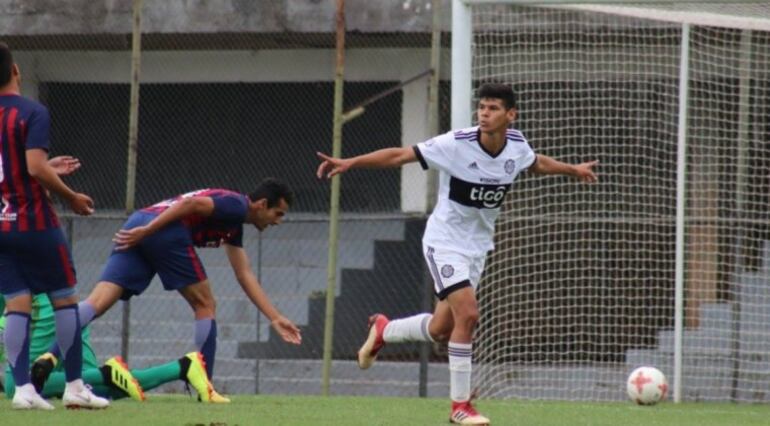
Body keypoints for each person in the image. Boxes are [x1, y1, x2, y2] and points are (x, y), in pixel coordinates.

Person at [316, 83, 598, 425]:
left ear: (511, 115)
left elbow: (535, 163)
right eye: (481, 107)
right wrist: (352, 162)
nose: (484, 113)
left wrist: (573, 170)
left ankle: (384, 329)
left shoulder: (516, 146)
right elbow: (401, 155)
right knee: (469, 315)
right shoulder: (456, 144)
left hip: (477, 247)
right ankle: (459, 408)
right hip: (444, 241)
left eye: (493, 108)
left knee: (440, 328)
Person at [33, 179, 303, 393]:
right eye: (277, 213)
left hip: (141, 220)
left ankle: (50, 357)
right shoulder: (236, 206)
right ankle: (204, 385)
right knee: (205, 304)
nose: (278, 221)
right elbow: (192, 206)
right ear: (263, 204)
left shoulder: (235, 225)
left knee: (97, 302)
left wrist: (275, 317)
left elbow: (244, 274)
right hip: (159, 229)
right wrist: (148, 231)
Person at [0, 41, 109, 410]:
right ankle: (76, 387)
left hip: (0, 226)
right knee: (64, 299)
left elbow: (20, 168)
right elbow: (32, 166)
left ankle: (22, 390)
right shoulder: (32, 112)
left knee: (17, 303)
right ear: (16, 71)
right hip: (34, 222)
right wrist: (71, 196)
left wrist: (48, 170)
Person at [1, 294, 228, 403]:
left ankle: (107, 372)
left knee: (18, 386)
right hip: (66, 309)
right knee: (94, 393)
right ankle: (183, 367)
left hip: (44, 315)